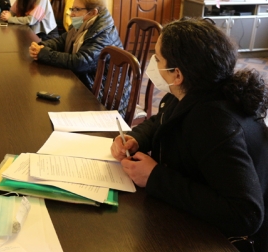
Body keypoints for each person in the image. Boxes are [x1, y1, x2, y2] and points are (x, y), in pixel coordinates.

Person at [111, 18, 268, 252]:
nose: (153, 63)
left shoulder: (214, 122)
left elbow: (246, 214)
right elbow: (162, 122)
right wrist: (137, 138)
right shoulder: (192, 91)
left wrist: (155, 177)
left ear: (177, 75)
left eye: (158, 58)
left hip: (225, 240)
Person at [29, 0, 130, 115]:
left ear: (93, 12)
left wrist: (44, 54)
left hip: (106, 95)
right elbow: (61, 41)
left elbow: (80, 62)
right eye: (72, 8)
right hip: (87, 83)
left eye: (77, 9)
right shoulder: (82, 24)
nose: (71, 13)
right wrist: (41, 46)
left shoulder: (103, 33)